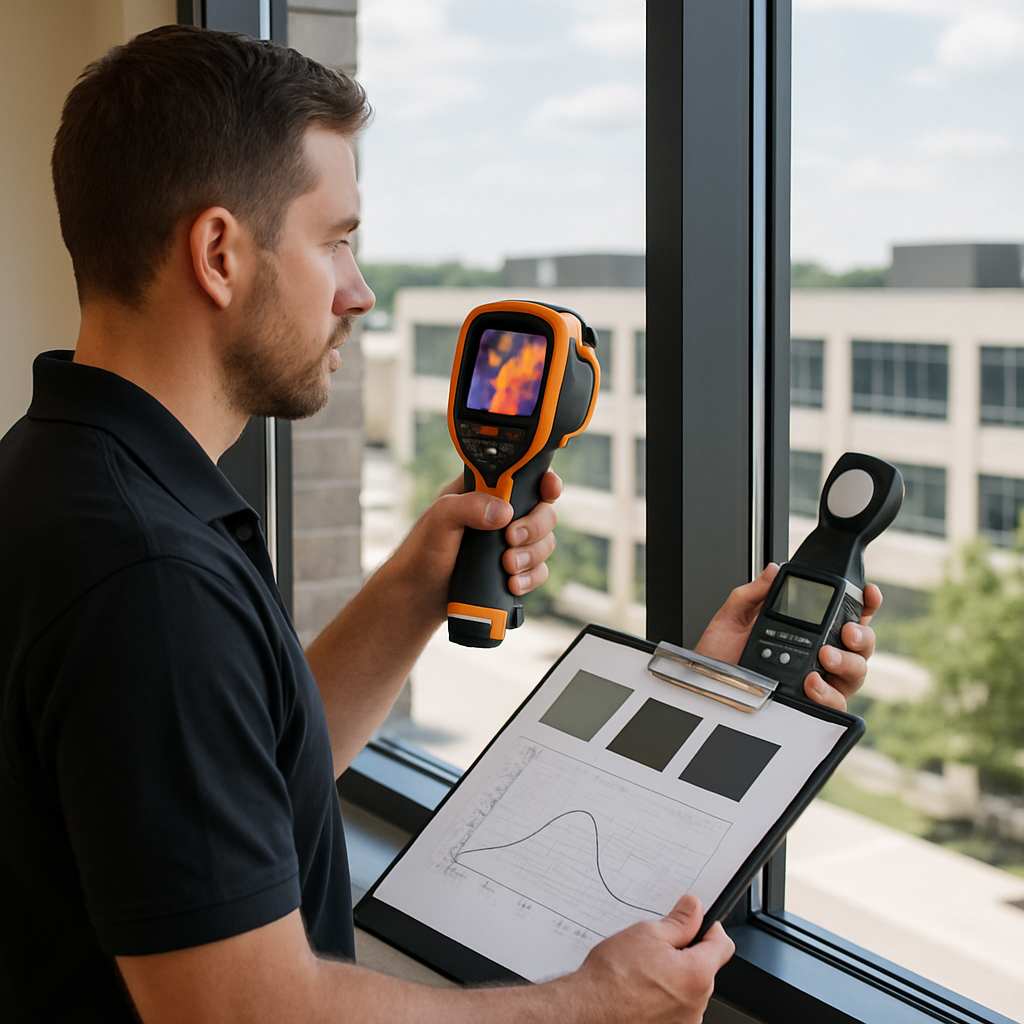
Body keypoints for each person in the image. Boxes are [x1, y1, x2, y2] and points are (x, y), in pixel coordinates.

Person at [0, 25, 880, 1024]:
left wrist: (425, 580)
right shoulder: (149, 577)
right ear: (218, 253)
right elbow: (245, 1011)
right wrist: (585, 1007)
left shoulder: (56, 475)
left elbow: (242, 770)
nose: (360, 292)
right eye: (335, 240)